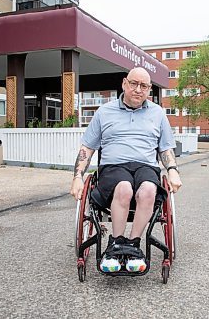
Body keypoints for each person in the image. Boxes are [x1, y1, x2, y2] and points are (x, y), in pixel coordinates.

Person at [70, 67, 182, 273]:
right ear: (124, 83)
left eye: (144, 86)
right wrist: (77, 176)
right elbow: (87, 148)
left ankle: (132, 245)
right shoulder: (104, 112)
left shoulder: (157, 113)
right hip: (113, 166)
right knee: (124, 188)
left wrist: (172, 169)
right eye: (134, 83)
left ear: (149, 89)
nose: (138, 89)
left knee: (149, 189)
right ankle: (115, 245)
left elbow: (165, 148)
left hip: (145, 166)